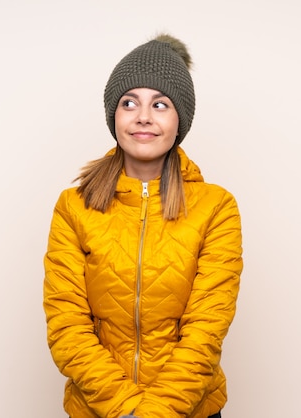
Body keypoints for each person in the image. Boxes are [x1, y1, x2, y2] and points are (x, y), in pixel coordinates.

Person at [43, 34, 243, 418]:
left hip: (188, 409)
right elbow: (66, 324)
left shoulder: (216, 208)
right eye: (129, 102)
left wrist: (155, 413)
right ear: (113, 115)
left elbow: (206, 329)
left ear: (179, 118)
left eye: (160, 104)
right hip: (100, 409)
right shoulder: (74, 207)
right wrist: (124, 409)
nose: (143, 117)